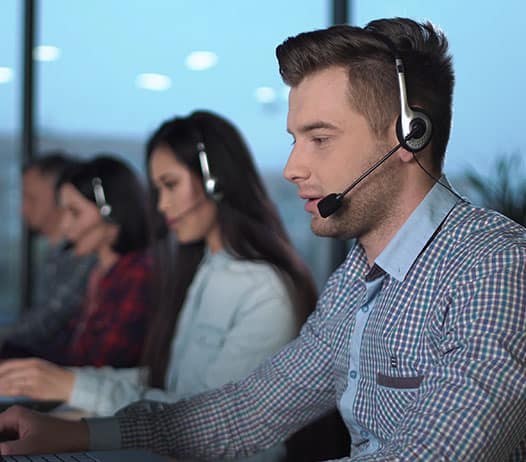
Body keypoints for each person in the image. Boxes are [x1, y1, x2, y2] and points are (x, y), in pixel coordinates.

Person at [1, 17, 525, 461]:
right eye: (295, 140)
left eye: (320, 139)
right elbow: (252, 410)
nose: (294, 167)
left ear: (409, 136)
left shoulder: (495, 267)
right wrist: (79, 433)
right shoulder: (358, 279)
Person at [0, 112, 317, 461]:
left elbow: (215, 421)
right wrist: (65, 381)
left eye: (170, 185)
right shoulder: (204, 271)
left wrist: (72, 389)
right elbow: (166, 384)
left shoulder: (264, 290)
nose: (162, 206)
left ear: (214, 181)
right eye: (157, 190)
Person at [0, 155, 153, 368]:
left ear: (110, 212)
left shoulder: (137, 276)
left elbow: (103, 364)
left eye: (75, 213)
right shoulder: (98, 274)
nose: (64, 226)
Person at [0, 153, 96, 355]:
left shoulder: (84, 258)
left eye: (31, 198)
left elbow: (50, 318)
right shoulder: (57, 255)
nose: (22, 209)